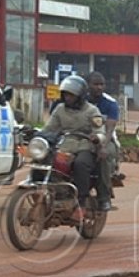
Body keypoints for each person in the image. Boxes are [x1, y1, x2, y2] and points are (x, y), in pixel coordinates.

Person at [43, 75, 105, 221]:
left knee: (80, 164)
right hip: (64, 145)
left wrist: (97, 138)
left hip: (85, 146)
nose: (67, 97)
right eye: (65, 94)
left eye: (71, 94)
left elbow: (100, 131)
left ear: (80, 95)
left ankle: (81, 204)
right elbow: (49, 128)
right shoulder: (59, 109)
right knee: (45, 160)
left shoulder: (92, 110)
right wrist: (36, 133)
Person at [86, 71, 120, 211]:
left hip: (106, 140)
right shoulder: (80, 100)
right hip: (81, 139)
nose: (99, 87)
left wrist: (103, 146)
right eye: (96, 84)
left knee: (104, 157)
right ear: (87, 85)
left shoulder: (110, 103)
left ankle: (104, 197)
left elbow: (110, 129)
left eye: (102, 84)